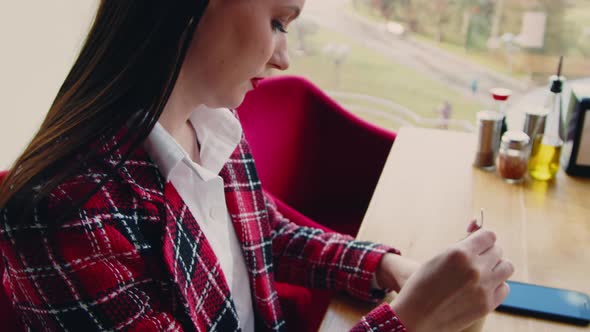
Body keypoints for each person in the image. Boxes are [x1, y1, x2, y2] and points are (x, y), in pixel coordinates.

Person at [0, 1, 514, 331]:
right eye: (277, 23)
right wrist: (409, 319)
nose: (283, 58)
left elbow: (266, 235)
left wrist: (391, 269)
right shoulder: (63, 216)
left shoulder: (213, 127)